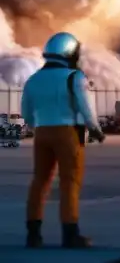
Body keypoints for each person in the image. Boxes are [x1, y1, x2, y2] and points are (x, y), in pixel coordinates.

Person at [20, 32, 105, 248]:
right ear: (69, 53)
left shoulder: (33, 79)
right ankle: (70, 234)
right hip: (68, 133)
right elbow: (86, 108)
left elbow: (26, 112)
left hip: (41, 132)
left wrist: (39, 125)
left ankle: (33, 234)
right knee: (69, 182)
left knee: (39, 181)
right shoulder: (74, 77)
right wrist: (95, 130)